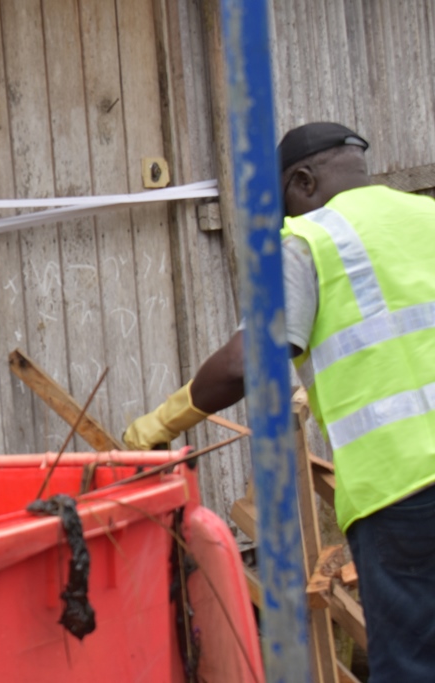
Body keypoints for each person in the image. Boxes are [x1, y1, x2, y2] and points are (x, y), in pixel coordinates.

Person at [123, 121, 435, 682]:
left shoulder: (311, 239)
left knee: (412, 667)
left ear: (303, 181)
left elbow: (247, 363)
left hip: (403, 495)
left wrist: (159, 422)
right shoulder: (427, 216)